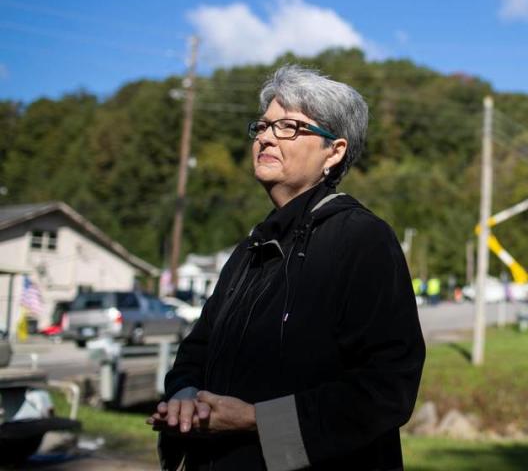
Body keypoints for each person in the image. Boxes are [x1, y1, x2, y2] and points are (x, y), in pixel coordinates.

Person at [149, 64, 425, 470]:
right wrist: (185, 397)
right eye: (262, 126)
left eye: (290, 128)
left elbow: (388, 386)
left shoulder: (361, 240)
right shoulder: (249, 250)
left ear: (335, 151)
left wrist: (256, 421)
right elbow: (197, 350)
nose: (266, 137)